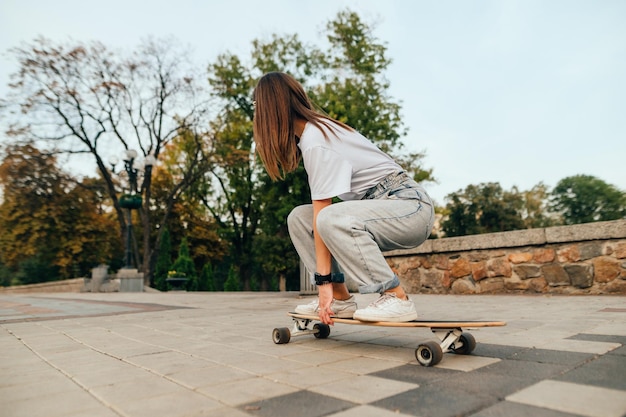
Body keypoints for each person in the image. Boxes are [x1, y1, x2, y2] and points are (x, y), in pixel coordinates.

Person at [253, 72, 434, 325]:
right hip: (381, 208)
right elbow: (318, 222)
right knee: (298, 218)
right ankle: (341, 299)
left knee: (325, 217)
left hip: (410, 208)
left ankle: (396, 298)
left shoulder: (316, 139)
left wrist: (322, 283)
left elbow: (323, 215)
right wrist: (328, 286)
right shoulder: (312, 136)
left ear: (270, 108)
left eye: (256, 106)